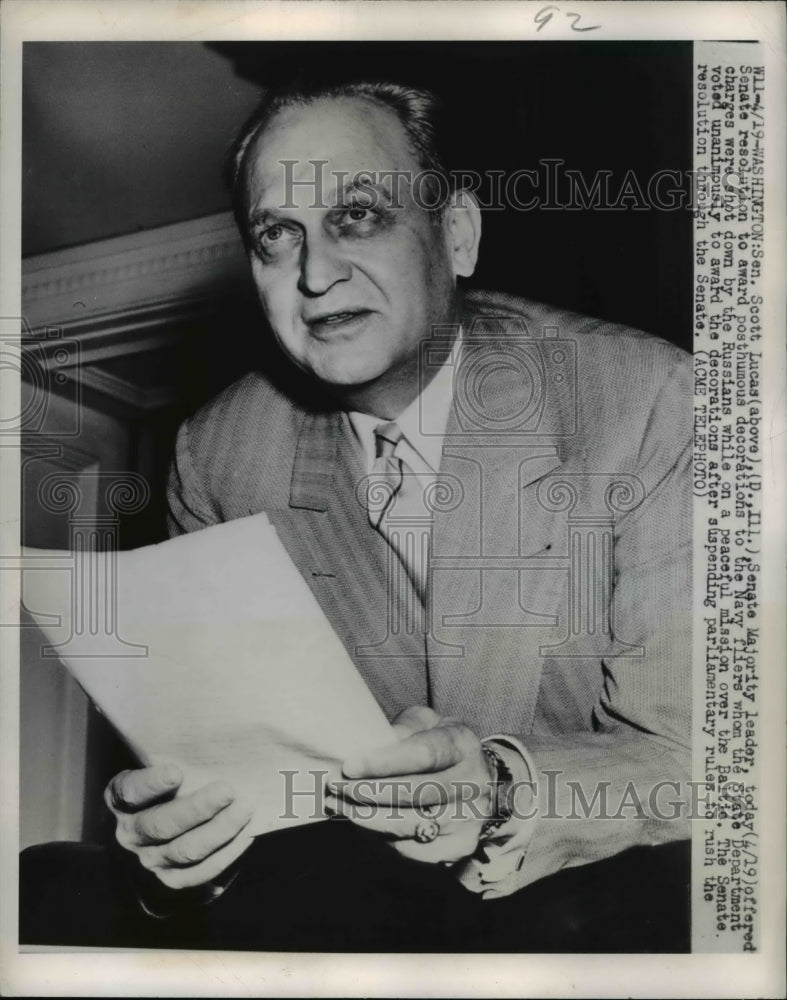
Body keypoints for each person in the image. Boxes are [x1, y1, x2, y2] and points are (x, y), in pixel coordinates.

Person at [62, 79, 692, 951]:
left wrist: (502, 788)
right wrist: (178, 849)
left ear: (457, 234)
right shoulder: (219, 453)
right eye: (277, 236)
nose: (315, 277)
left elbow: (705, 758)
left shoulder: (647, 398)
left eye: (357, 216)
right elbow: (235, 766)